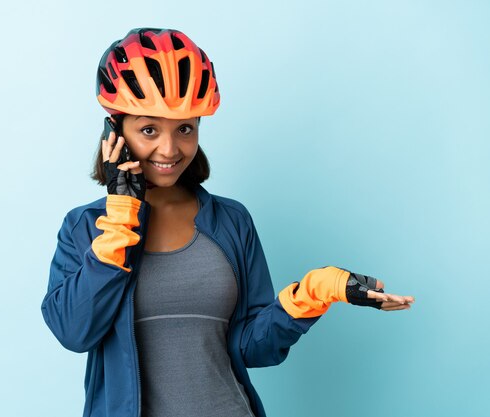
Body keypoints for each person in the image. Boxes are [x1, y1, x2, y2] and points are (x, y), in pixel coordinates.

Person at [41, 27, 415, 417]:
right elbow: (74, 330)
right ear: (114, 134)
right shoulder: (85, 227)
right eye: (148, 129)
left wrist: (316, 291)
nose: (169, 149)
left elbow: (253, 348)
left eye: (185, 128)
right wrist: (120, 218)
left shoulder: (231, 221)